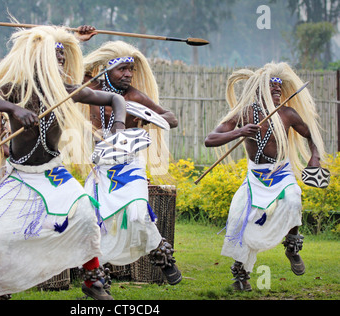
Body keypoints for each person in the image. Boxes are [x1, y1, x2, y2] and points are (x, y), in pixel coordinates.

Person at [0, 25, 127, 300]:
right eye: (55, 58)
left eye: (63, 59)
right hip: (20, 174)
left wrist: (119, 126)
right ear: (40, 59)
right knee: (4, 236)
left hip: (53, 171)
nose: (60, 63)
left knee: (86, 212)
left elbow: (115, 98)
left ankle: (92, 280)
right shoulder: (17, 89)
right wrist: (13, 108)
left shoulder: (67, 91)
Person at [204, 62, 327, 291]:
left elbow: (312, 136)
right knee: (240, 220)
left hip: (282, 173)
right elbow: (210, 139)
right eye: (272, 88)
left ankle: (292, 247)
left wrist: (315, 158)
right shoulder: (245, 114)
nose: (277, 92)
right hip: (256, 178)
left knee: (292, 199)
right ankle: (241, 275)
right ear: (259, 90)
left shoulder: (287, 114)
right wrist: (240, 131)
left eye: (279, 89)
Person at [79, 31, 182, 285]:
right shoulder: (90, 89)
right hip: (101, 165)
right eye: (122, 69)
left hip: (129, 164)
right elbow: (64, 72)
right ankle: (98, 275)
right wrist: (78, 39)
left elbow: (172, 118)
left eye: (131, 69)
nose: (127, 74)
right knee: (92, 217)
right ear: (105, 69)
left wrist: (144, 115)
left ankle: (162, 256)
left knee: (137, 212)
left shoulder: (134, 96)